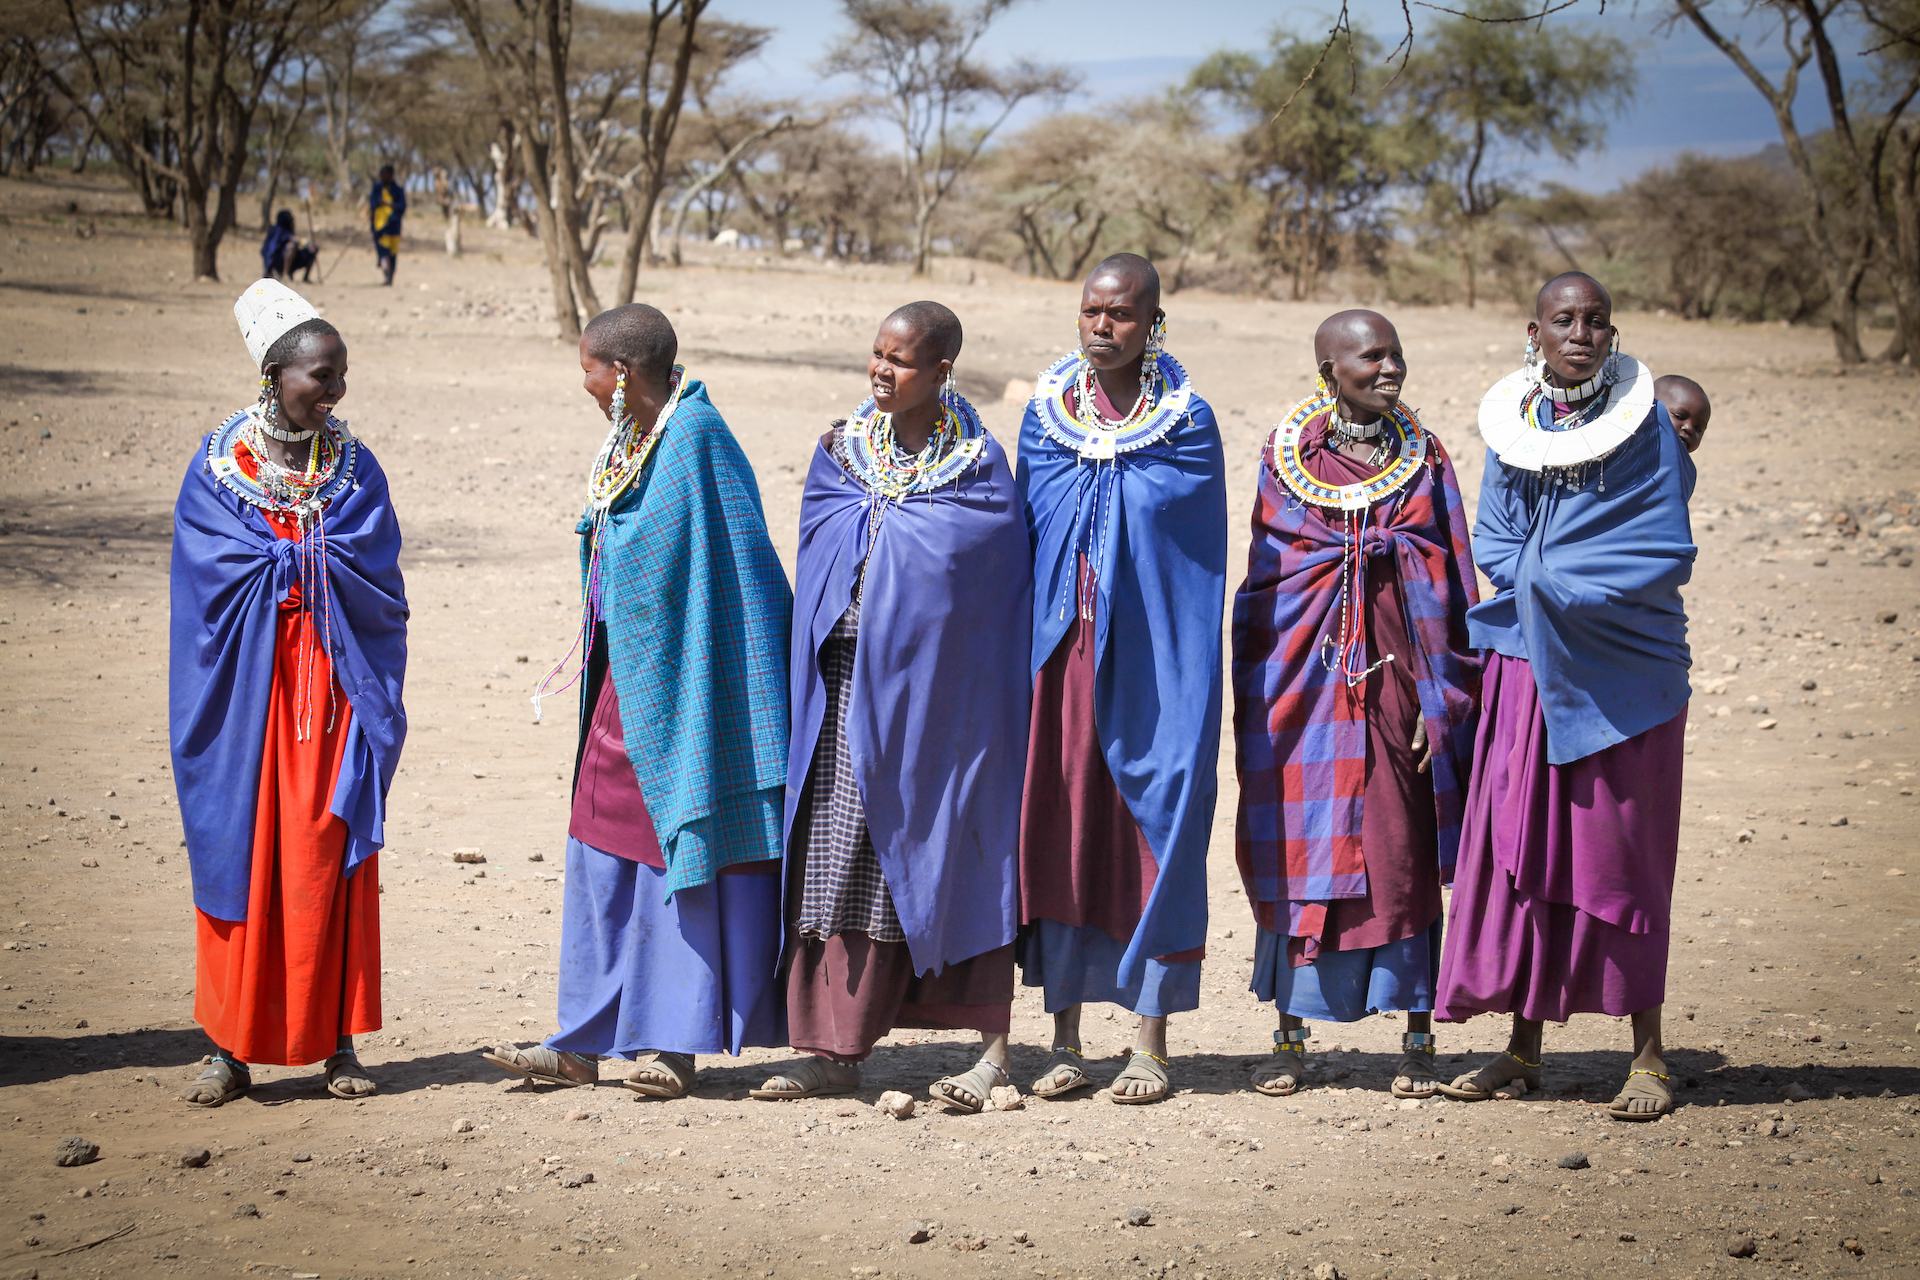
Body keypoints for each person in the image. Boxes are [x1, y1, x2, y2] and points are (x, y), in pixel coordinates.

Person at [482, 304, 791, 1098]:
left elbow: (737, 570)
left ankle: (672, 1045)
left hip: (690, 681)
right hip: (626, 680)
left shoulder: (698, 439)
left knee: (671, 848)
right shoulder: (633, 438)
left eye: (587, 368)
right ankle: (581, 1040)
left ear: (619, 372)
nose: (582, 384)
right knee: (601, 841)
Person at [751, 302, 1031, 1111]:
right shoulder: (839, 452)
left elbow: (985, 596)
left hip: (936, 713)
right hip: (839, 697)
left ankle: (987, 1051)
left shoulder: (979, 473)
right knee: (831, 864)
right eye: (876, 354)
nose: (882, 370)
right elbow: (817, 556)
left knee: (937, 855)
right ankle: (831, 1049)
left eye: (901, 360)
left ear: (942, 371)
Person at [1434, 272, 1696, 1122]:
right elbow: (1497, 539)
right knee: (1526, 850)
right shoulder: (1513, 428)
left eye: (1595, 321)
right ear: (1534, 333)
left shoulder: (1646, 428)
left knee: (1619, 856)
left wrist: (1558, 586)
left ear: (1611, 336)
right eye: (1563, 320)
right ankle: (1522, 1049)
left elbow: (1661, 549)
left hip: (1624, 671)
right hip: (1525, 665)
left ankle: (1649, 1058)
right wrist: (1542, 586)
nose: (1580, 333)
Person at [1231, 310, 1481, 1100]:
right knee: (1300, 842)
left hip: (1399, 675)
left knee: (1395, 838)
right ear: (1329, 367)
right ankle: (1291, 1034)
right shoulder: (1289, 457)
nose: (1390, 369)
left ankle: (1416, 1034)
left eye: (1396, 355)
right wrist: (1343, 555)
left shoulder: (1425, 455)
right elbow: (1273, 570)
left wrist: (1431, 684)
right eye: (1371, 357)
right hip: (1303, 676)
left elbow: (1451, 563)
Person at [172, 279, 408, 1106]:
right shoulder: (216, 471)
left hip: (336, 691)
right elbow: (204, 584)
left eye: (341, 375)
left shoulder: (354, 470)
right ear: (275, 375)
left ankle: (338, 1043)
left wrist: (317, 568)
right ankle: (228, 1050)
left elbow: (380, 580)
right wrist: (284, 568)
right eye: (321, 377)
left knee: (325, 853)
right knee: (242, 851)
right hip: (244, 697)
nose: (336, 392)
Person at [1016, 254, 1227, 1106]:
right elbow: (1023, 529)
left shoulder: (1188, 422)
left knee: (1158, 823)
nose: (1104, 326)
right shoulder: (1043, 419)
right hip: (1061, 653)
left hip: (1156, 657)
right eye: (1092, 310)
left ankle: (1151, 1039)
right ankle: (1063, 1037)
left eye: (1123, 315)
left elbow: (1192, 551)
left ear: (1154, 324)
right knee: (1063, 822)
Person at [369, 165, 406, 286]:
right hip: (379, 227)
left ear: (391, 175)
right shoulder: (377, 189)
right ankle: (386, 276)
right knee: (383, 253)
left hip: (394, 228)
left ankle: (391, 278)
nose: (382, 177)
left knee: (392, 254)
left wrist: (391, 208)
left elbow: (401, 207)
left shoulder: (397, 190)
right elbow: (373, 203)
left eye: (385, 174)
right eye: (381, 174)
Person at [1654, 374, 1711, 453]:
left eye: (1698, 429)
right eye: (1679, 416)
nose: (1689, 428)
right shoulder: (1632, 456)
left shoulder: (1681, 465)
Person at [261, 210, 317, 282]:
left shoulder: (283, 230)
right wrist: (306, 242)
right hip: (277, 260)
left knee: (311, 250)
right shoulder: (278, 230)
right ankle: (286, 274)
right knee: (291, 246)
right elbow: (292, 238)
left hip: (291, 260)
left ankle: (305, 278)